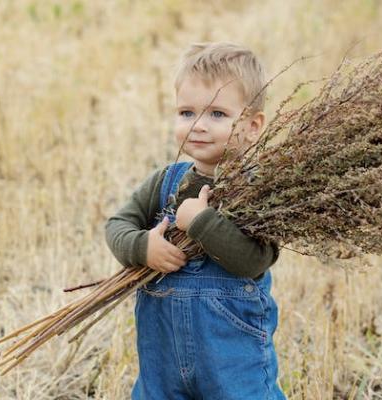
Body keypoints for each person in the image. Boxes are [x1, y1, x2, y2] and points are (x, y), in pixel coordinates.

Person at [105, 42, 285, 399]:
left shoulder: (261, 192)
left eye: (217, 114)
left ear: (252, 126)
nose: (198, 126)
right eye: (187, 113)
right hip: (162, 355)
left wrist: (201, 221)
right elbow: (117, 225)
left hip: (231, 358)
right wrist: (143, 247)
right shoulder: (164, 181)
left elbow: (255, 260)